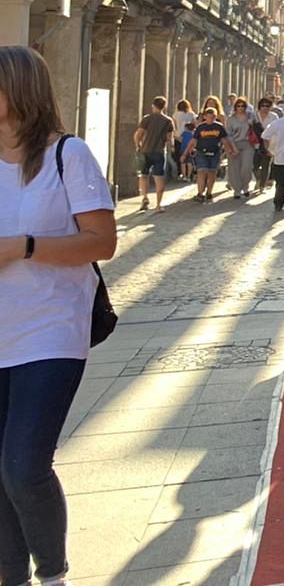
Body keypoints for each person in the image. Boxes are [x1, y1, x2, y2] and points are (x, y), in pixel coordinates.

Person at [0, 46, 117, 586]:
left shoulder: (67, 156)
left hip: (49, 331)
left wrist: (22, 246)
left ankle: (52, 575)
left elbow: (102, 241)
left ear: (19, 91)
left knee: (24, 465)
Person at [132, 95, 176, 213]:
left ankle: (145, 197)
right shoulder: (168, 121)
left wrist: (138, 145)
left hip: (145, 151)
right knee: (159, 177)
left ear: (153, 106)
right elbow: (169, 139)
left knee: (143, 175)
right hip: (159, 152)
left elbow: (137, 135)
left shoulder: (146, 119)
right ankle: (158, 205)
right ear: (164, 107)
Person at [189, 105, 232, 203]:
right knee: (201, 171)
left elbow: (224, 139)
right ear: (205, 116)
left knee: (212, 172)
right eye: (209, 116)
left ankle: (209, 192)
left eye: (213, 117)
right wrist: (187, 151)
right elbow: (193, 140)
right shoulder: (201, 127)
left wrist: (228, 150)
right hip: (201, 152)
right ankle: (200, 193)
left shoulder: (219, 127)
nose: (211, 119)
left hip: (215, 152)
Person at [224, 98, 255, 200]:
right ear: (235, 107)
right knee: (234, 168)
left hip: (247, 144)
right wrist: (233, 148)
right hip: (234, 143)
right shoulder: (230, 119)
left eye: (242, 106)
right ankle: (237, 190)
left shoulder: (250, 117)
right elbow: (228, 134)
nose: (240, 108)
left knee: (246, 167)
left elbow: (256, 129)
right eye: (238, 106)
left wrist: (251, 124)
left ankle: (245, 187)